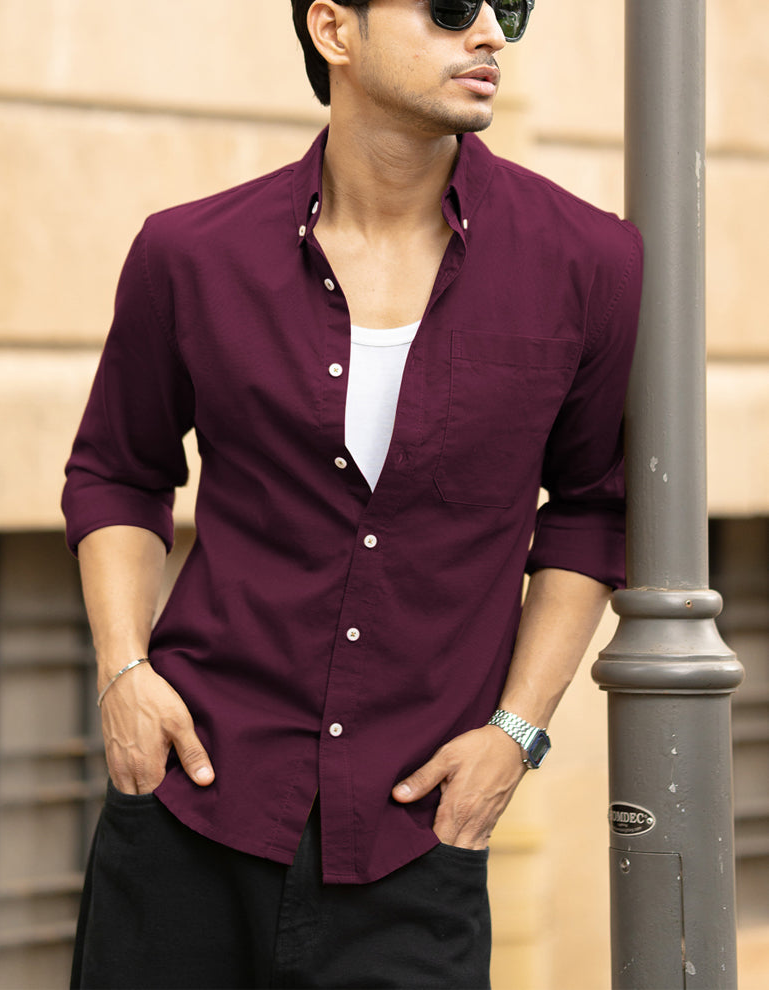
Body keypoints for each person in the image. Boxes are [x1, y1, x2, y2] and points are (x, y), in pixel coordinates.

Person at [63, 1, 643, 987]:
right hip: (189, 806)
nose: (490, 34)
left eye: (508, 7)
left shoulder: (589, 262)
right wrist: (124, 674)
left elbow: (591, 509)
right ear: (335, 29)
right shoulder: (189, 253)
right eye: (451, 7)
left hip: (416, 840)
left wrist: (516, 735)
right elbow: (119, 471)